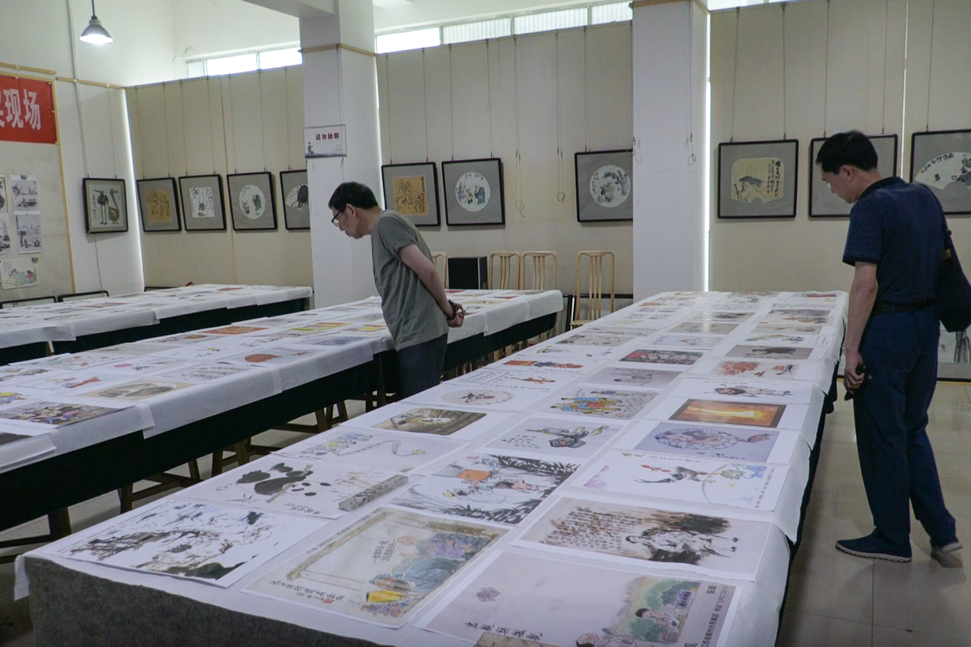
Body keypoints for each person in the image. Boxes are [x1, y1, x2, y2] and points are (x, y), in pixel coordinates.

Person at [816, 130, 962, 567]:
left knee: (882, 434)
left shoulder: (870, 207)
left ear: (848, 171)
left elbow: (866, 284)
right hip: (926, 329)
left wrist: (851, 351)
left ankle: (892, 537)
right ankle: (943, 534)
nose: (833, 190)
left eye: (830, 181)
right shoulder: (923, 197)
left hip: (889, 330)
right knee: (913, 428)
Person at [328, 182, 464, 397]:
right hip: (413, 332)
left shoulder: (386, 224)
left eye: (338, 219)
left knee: (419, 408)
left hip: (419, 332)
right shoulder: (381, 228)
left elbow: (427, 271)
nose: (341, 227)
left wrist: (449, 312)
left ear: (351, 210)